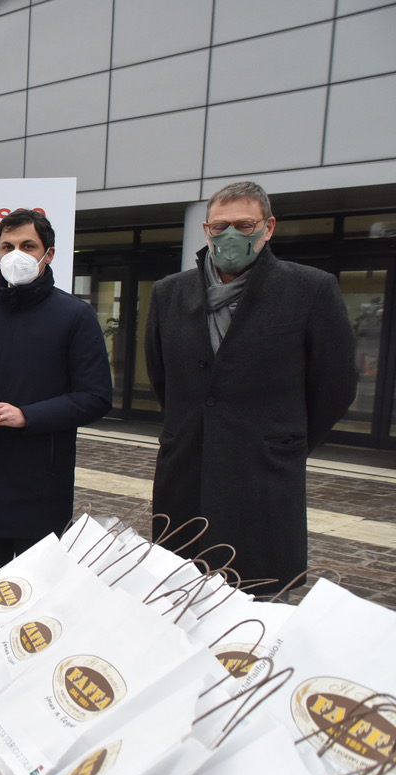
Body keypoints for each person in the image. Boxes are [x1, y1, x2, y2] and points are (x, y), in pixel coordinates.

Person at [145, 181, 357, 589]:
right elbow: (163, 379)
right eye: (220, 226)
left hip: (263, 475)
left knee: (256, 601)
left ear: (268, 227)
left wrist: (287, 442)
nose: (230, 236)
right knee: (179, 594)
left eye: (244, 225)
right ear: (205, 229)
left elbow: (334, 385)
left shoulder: (309, 288)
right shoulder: (169, 293)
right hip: (186, 471)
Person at [0, 208, 113, 581]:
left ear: (49, 254)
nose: (16, 254)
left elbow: (96, 396)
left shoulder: (74, 315)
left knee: (35, 598)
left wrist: (27, 415)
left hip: (40, 480)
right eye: (7, 246)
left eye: (28, 245)